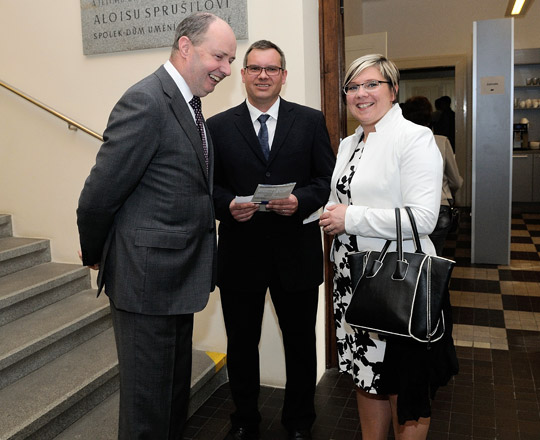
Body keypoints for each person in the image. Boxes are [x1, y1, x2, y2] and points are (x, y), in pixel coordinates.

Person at [76, 12, 237, 439]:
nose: (226, 69)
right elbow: (99, 196)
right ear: (185, 46)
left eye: (230, 60)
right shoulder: (147, 100)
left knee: (169, 403)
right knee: (147, 412)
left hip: (178, 281)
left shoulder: (189, 103)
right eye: (219, 57)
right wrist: (96, 253)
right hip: (146, 284)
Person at [319, 54, 458, 440]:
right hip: (352, 278)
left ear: (393, 90)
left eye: (371, 84)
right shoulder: (349, 143)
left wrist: (351, 218)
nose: (361, 94)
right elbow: (346, 198)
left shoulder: (414, 139)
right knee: (367, 377)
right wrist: (327, 213)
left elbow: (422, 218)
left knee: (404, 389)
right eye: (353, 87)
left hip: (399, 282)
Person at [207, 40, 335, 440]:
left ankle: (299, 423)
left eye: (272, 69)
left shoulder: (311, 121)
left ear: (283, 75)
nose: (263, 75)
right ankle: (244, 420)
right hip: (239, 254)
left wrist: (299, 201)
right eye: (255, 68)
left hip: (295, 254)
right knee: (241, 344)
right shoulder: (217, 126)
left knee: (300, 344)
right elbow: (208, 186)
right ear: (242, 74)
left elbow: (325, 181)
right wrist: (227, 205)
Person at [402, 96, 463, 256]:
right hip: (438, 208)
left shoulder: (397, 142)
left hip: (405, 211)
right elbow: (456, 181)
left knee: (408, 258)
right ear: (429, 117)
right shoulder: (441, 142)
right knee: (434, 260)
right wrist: (449, 194)